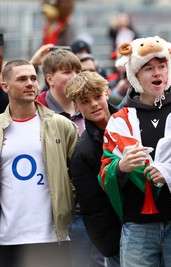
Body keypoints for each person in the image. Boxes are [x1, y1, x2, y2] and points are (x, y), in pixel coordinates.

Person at [98, 36, 171, 267]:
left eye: (162, 66)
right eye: (149, 68)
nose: (158, 73)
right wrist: (120, 168)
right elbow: (105, 172)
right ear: (134, 75)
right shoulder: (119, 120)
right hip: (137, 227)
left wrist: (170, 174)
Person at [0, 59, 78, 267]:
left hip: (52, 238)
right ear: (5, 86)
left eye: (34, 78)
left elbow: (79, 172)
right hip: (6, 240)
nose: (30, 83)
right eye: (22, 79)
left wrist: (68, 199)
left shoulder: (61, 125)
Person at [37, 49, 106, 267]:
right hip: (61, 213)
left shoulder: (92, 111)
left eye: (78, 70)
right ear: (49, 79)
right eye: (67, 72)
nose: (75, 76)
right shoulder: (37, 113)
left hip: (98, 207)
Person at [65, 71, 121, 267]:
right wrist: (111, 245)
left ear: (106, 93)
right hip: (119, 239)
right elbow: (93, 207)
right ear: (77, 106)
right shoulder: (82, 153)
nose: (94, 104)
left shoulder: (133, 119)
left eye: (97, 97)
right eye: (85, 101)